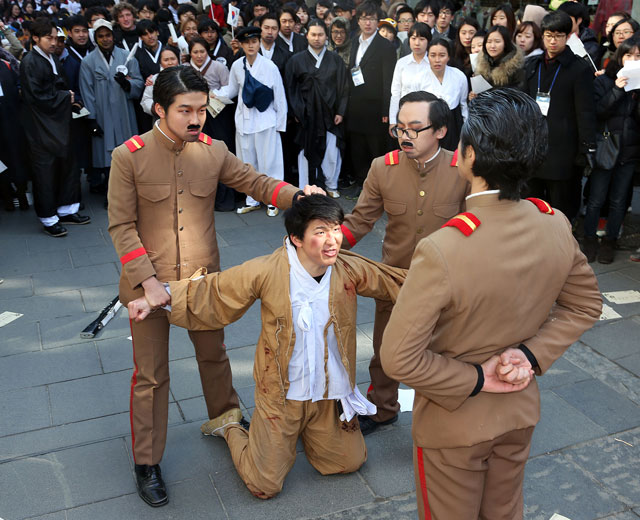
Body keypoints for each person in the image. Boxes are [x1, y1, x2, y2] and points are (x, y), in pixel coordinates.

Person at [380, 88, 602, 520]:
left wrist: (477, 378)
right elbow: (584, 305)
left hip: (453, 422)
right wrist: (529, 355)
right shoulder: (553, 224)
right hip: (518, 411)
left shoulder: (443, 248)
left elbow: (398, 358)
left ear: (468, 156)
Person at [107, 65, 322, 508]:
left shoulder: (212, 150)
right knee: (150, 375)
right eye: (185, 110)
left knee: (214, 356)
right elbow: (122, 227)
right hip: (148, 287)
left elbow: (255, 182)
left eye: (202, 110)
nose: (195, 119)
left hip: (203, 282)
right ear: (160, 109)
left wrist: (297, 197)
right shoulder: (128, 156)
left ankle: (225, 421)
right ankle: (146, 463)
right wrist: (148, 283)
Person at [127, 194, 407, 499]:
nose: (333, 240)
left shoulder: (347, 268)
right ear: (296, 239)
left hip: (329, 394)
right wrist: (160, 297)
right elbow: (215, 291)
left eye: (336, 229)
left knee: (348, 462)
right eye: (320, 232)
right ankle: (230, 425)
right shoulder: (267, 270)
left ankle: (306, 433)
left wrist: (451, 285)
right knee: (264, 485)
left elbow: (394, 281)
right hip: (281, 397)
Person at [341, 91, 468, 435]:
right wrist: (327, 244)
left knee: (444, 353)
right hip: (394, 279)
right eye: (400, 129)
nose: (405, 136)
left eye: (415, 128)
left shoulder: (463, 170)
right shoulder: (384, 168)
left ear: (440, 130)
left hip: (446, 285)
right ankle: (383, 408)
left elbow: (479, 229)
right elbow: (360, 220)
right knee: (385, 350)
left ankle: (444, 413)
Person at [523, 11, 596, 222]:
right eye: (548, 35)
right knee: (531, 205)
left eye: (558, 36)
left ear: (567, 37)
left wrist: (587, 147)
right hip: (533, 146)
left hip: (563, 149)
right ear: (542, 36)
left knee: (561, 207)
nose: (553, 41)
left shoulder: (579, 68)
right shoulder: (532, 65)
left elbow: (585, 111)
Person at [20, 17, 89, 236]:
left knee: (67, 165)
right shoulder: (30, 61)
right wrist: (63, 96)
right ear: (35, 38)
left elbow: (57, 86)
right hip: (41, 127)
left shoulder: (51, 58)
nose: (53, 42)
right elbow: (36, 96)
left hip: (59, 122)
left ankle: (67, 209)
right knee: (46, 171)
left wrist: (67, 97)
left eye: (55, 37)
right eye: (48, 38)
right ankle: (49, 218)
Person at [212, 25, 287, 216]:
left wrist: (280, 123)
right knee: (247, 163)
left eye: (254, 41)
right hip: (245, 121)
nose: (251, 46)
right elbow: (231, 91)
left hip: (266, 120)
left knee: (270, 163)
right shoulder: (237, 65)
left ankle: (273, 200)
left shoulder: (270, 66)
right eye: (247, 42)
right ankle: (251, 199)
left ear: (259, 42)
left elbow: (279, 96)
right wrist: (212, 94)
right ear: (242, 44)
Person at [582, 36, 640, 264]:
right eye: (628, 55)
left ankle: (610, 241)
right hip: (607, 148)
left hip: (630, 150)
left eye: (638, 57)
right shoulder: (605, 80)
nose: (633, 60)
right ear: (620, 56)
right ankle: (588, 238)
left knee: (618, 201)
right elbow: (598, 112)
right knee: (596, 199)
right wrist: (617, 89)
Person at [79, 19, 143, 198]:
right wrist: (91, 119)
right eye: (101, 36)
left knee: (127, 150)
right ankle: (111, 193)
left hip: (124, 111)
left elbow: (138, 82)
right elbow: (87, 91)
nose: (105, 39)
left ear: (113, 36)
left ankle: (130, 191)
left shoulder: (126, 56)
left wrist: (127, 84)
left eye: (108, 35)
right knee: (107, 155)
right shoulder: (88, 62)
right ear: (96, 39)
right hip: (102, 114)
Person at [286, 19, 348, 198]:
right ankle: (305, 186)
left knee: (331, 150)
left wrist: (340, 112)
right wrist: (296, 112)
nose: (317, 38)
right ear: (307, 36)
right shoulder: (296, 61)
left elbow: (343, 88)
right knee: (305, 151)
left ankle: (331, 184)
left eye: (320, 34)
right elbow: (290, 88)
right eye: (313, 34)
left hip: (329, 113)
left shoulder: (334, 60)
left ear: (326, 37)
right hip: (306, 114)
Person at [346, 1, 397, 196]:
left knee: (375, 148)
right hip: (355, 104)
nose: (368, 23)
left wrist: (386, 110)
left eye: (372, 19)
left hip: (376, 108)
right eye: (364, 19)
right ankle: (361, 182)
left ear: (378, 21)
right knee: (357, 148)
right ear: (358, 20)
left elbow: (388, 81)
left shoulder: (385, 46)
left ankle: (377, 187)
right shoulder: (354, 42)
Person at [423, 37, 468, 151]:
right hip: (428, 122)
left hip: (453, 123)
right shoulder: (419, 78)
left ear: (448, 57)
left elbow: (463, 104)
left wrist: (466, 129)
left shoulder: (459, 76)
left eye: (442, 55)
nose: (437, 60)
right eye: (433, 55)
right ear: (427, 56)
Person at [388, 22, 431, 127]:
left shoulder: (433, 64)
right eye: (413, 38)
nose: (417, 43)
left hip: (428, 115)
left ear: (428, 41)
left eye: (422, 39)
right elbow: (395, 93)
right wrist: (393, 121)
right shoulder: (401, 63)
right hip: (405, 115)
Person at [471, 25, 525, 96]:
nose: (492, 46)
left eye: (497, 41)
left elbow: (518, 95)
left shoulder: (516, 66)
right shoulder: (480, 64)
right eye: (489, 42)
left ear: (505, 43)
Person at [140, 46, 179, 116]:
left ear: (178, 59)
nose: (170, 63)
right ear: (160, 62)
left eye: (173, 59)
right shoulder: (154, 79)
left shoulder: (186, 75)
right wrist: (158, 109)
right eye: (166, 60)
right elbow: (146, 100)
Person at [134, 19, 163, 84]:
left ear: (157, 32)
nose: (150, 36)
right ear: (141, 38)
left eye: (151, 32)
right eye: (145, 34)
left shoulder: (168, 50)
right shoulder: (137, 55)